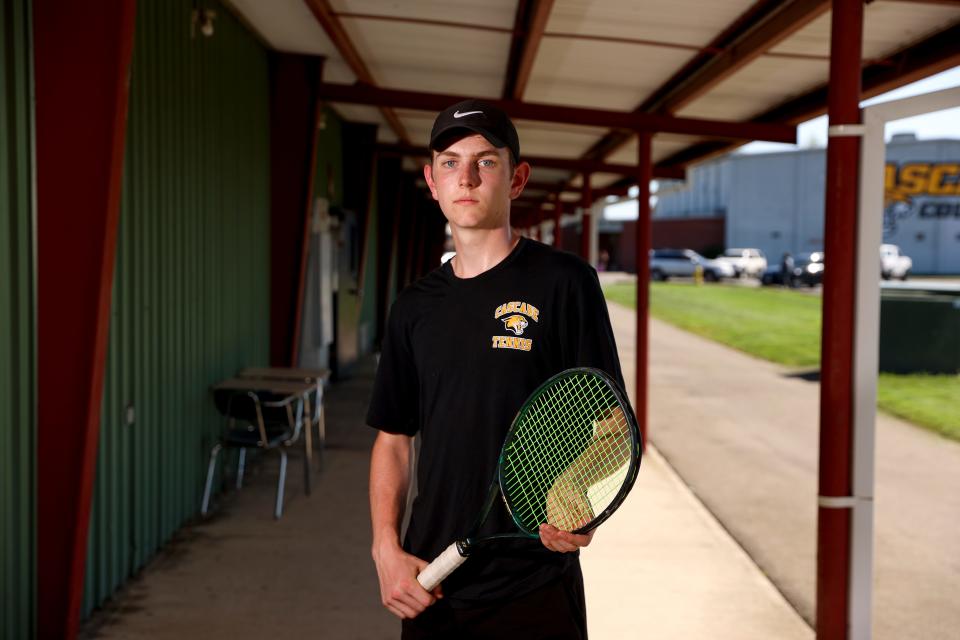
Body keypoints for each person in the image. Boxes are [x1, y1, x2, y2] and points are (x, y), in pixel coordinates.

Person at [366, 99, 625, 639]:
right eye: (450, 162)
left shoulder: (565, 283)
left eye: (485, 161)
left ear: (516, 178)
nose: (465, 176)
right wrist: (386, 547)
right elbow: (393, 439)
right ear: (432, 181)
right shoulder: (413, 307)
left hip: (533, 579)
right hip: (433, 579)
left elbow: (612, 425)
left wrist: (577, 493)